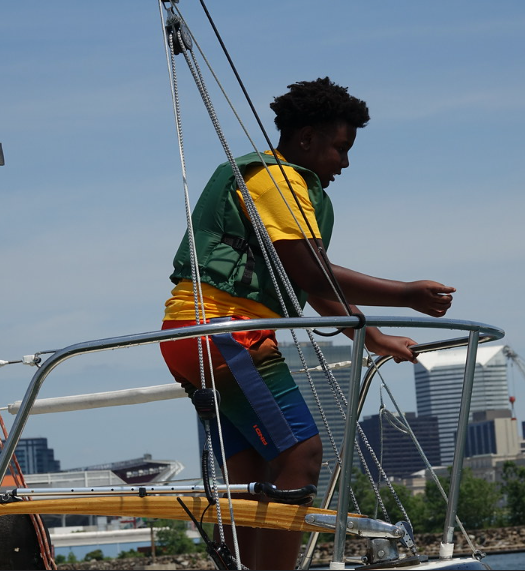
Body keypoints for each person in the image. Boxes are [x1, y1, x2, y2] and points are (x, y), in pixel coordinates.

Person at [160, 77, 455, 570]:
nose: (344, 162)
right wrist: (406, 294)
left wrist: (374, 338)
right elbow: (311, 272)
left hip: (187, 336)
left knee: (250, 471)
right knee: (303, 453)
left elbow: (314, 289)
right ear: (306, 140)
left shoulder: (276, 186)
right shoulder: (277, 181)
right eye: (340, 147)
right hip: (226, 335)